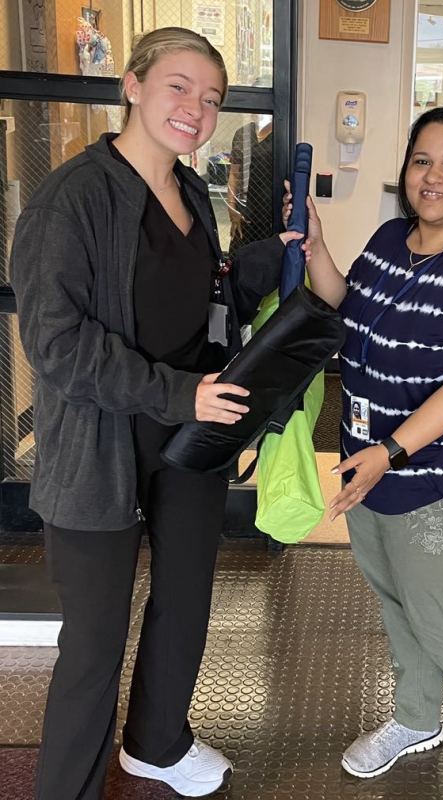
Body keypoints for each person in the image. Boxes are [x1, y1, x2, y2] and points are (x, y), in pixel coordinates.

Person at [10, 27, 302, 800]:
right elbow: (56, 342)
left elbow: (208, 302)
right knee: (95, 642)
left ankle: (157, 744)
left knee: (184, 597)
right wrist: (179, 394)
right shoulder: (72, 198)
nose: (195, 109)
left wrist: (269, 259)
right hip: (98, 445)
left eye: (210, 98)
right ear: (131, 86)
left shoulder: (189, 194)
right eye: (178, 86)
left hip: (188, 434)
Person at [288, 106, 443, 800]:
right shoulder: (391, 238)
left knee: (435, 611)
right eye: (422, 160)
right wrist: (314, 248)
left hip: (433, 476)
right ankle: (415, 717)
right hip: (367, 461)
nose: (433, 177)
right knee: (396, 602)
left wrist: (388, 452)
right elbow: (347, 304)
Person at [227, 107, 273, 255]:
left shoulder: (281, 134)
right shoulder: (242, 133)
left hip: (269, 210)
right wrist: (231, 207)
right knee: (238, 256)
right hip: (244, 206)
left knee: (263, 259)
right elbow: (234, 174)